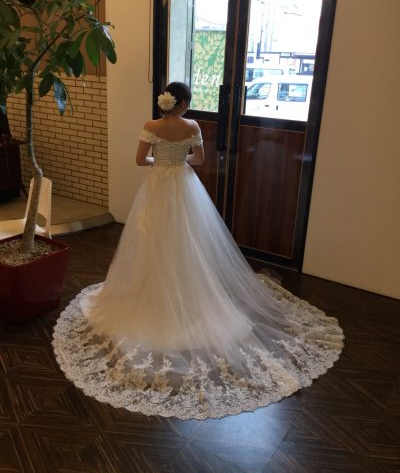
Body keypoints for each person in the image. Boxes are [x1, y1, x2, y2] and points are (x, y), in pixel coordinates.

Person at [53, 82, 343, 420]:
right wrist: (180, 159)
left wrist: (159, 160)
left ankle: (154, 289)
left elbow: (139, 160)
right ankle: (188, 291)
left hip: (157, 186)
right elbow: (201, 159)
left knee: (154, 240)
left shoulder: (150, 125)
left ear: (165, 102)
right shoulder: (192, 126)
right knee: (189, 240)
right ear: (183, 104)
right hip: (184, 184)